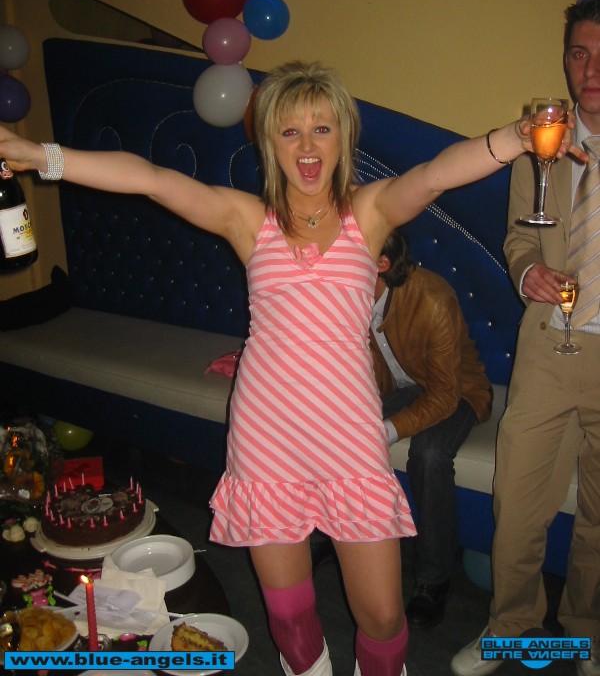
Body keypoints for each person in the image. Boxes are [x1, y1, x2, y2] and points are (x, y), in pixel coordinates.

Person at [0, 60, 579, 676]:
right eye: (290, 130)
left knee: (383, 617)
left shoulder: (369, 212)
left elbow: (436, 173)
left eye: (322, 129)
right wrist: (38, 155)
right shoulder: (249, 220)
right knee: (290, 616)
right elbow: (151, 179)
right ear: (270, 143)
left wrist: (516, 138)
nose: (307, 146)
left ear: (343, 138)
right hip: (266, 439)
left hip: (349, 438)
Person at [451, 0, 600, 676]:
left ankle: (587, 631)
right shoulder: (541, 142)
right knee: (516, 503)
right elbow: (519, 237)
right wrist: (526, 270)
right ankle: (510, 626)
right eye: (579, 54)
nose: (590, 70)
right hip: (548, 345)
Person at [371, 228, 492, 629]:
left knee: (430, 454)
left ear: (381, 265)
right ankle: (329, 537)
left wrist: (387, 430)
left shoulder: (433, 297)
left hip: (458, 390)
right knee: (336, 430)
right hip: (404, 388)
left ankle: (433, 579)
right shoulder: (347, 297)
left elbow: (443, 394)